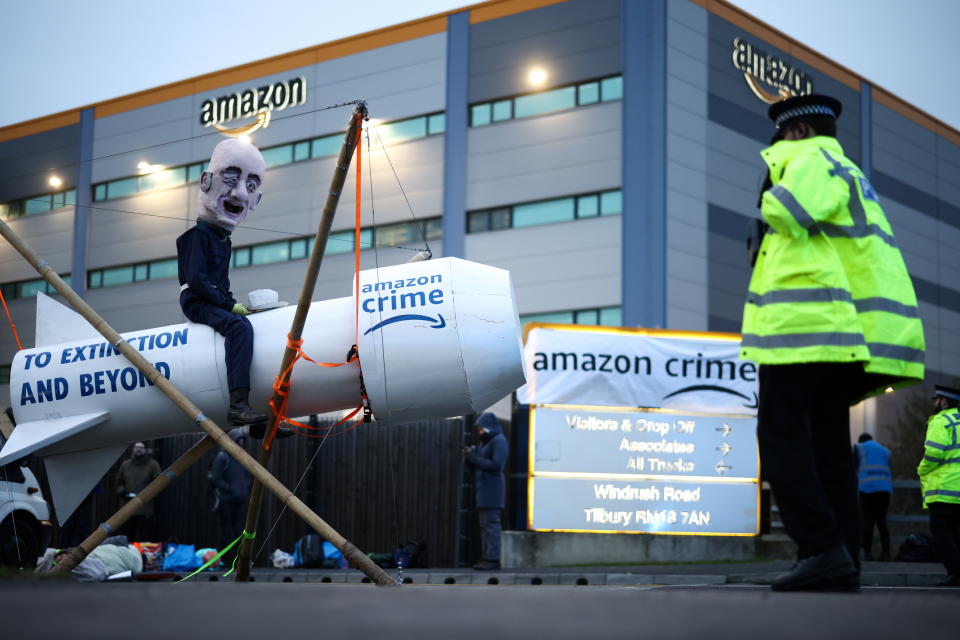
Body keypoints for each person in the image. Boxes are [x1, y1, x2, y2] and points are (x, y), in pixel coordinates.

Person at [740, 94, 925, 591]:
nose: (775, 148)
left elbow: (793, 212)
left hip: (806, 328)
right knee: (825, 444)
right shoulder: (844, 168)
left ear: (796, 131)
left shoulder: (809, 158)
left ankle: (821, 546)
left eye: (779, 138)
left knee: (780, 432)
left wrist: (771, 191)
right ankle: (841, 558)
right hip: (841, 333)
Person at [176, 137, 267, 432]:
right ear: (206, 180)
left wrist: (233, 302)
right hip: (196, 301)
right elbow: (198, 281)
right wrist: (229, 305)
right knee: (238, 328)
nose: (240, 193)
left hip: (210, 298)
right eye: (230, 178)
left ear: (257, 200)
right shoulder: (198, 237)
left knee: (252, 324)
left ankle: (257, 414)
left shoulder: (222, 241)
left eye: (251, 187)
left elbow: (221, 284)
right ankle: (238, 406)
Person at [917, 385, 960, 586]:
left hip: (944, 489)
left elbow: (934, 453)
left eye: (937, 400)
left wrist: (921, 469)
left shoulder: (940, 421)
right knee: (956, 532)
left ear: (943, 402)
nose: (935, 403)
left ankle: (954, 572)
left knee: (941, 532)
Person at [462, 413, 508, 570]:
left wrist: (475, 459)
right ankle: (487, 557)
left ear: (489, 427)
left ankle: (493, 559)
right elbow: (478, 465)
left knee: (491, 526)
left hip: (492, 491)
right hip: (483, 492)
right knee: (485, 526)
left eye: (481, 428)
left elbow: (497, 465)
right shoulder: (486, 443)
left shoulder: (499, 441)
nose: (480, 432)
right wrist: (471, 456)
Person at [210, 429, 253, 550]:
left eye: (242, 442)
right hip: (226, 500)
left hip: (240, 499)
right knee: (227, 529)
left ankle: (238, 557)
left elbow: (246, 477)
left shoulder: (242, 458)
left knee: (239, 529)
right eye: (238, 442)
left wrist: (245, 488)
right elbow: (216, 479)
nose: (240, 444)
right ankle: (226, 559)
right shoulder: (222, 457)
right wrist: (230, 489)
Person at [854, 433, 893, 561]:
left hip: (867, 488)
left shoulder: (859, 447)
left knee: (868, 521)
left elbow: (853, 467)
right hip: (884, 489)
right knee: (882, 521)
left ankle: (867, 554)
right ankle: (886, 554)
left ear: (861, 441)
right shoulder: (884, 450)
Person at [114, 442, 162, 542]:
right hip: (127, 507)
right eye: (136, 447)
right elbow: (118, 482)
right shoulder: (125, 464)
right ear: (133, 449)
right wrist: (123, 492)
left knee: (146, 538)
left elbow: (159, 484)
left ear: (145, 449)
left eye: (141, 447)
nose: (138, 449)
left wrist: (147, 496)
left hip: (145, 508)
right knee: (126, 538)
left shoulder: (153, 465)